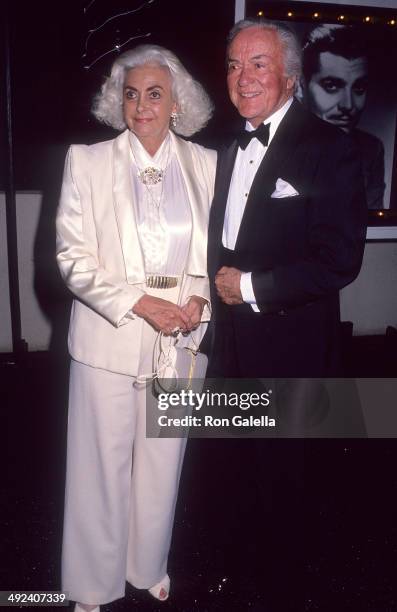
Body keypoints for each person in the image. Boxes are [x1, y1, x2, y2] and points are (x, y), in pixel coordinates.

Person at [205, 19, 367, 608]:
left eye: (258, 64)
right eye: (233, 64)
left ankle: (282, 592)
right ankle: (238, 577)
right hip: (231, 347)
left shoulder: (330, 147)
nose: (242, 77)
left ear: (292, 77)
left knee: (286, 481)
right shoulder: (227, 146)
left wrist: (250, 286)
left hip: (290, 346)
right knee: (235, 472)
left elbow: (340, 259)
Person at [56, 44, 216, 612]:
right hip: (109, 334)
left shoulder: (207, 164)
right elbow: (74, 259)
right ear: (117, 101)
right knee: (99, 463)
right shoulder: (87, 160)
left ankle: (147, 564)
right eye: (131, 94)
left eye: (155, 94)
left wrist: (199, 301)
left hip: (180, 339)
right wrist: (139, 303)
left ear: (177, 103)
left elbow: (212, 254)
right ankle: (91, 585)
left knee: (162, 459)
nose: (142, 106)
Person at [297, 24, 385, 209]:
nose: (348, 105)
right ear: (300, 86)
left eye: (359, 88)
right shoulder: (276, 143)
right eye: (331, 85)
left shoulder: (371, 150)